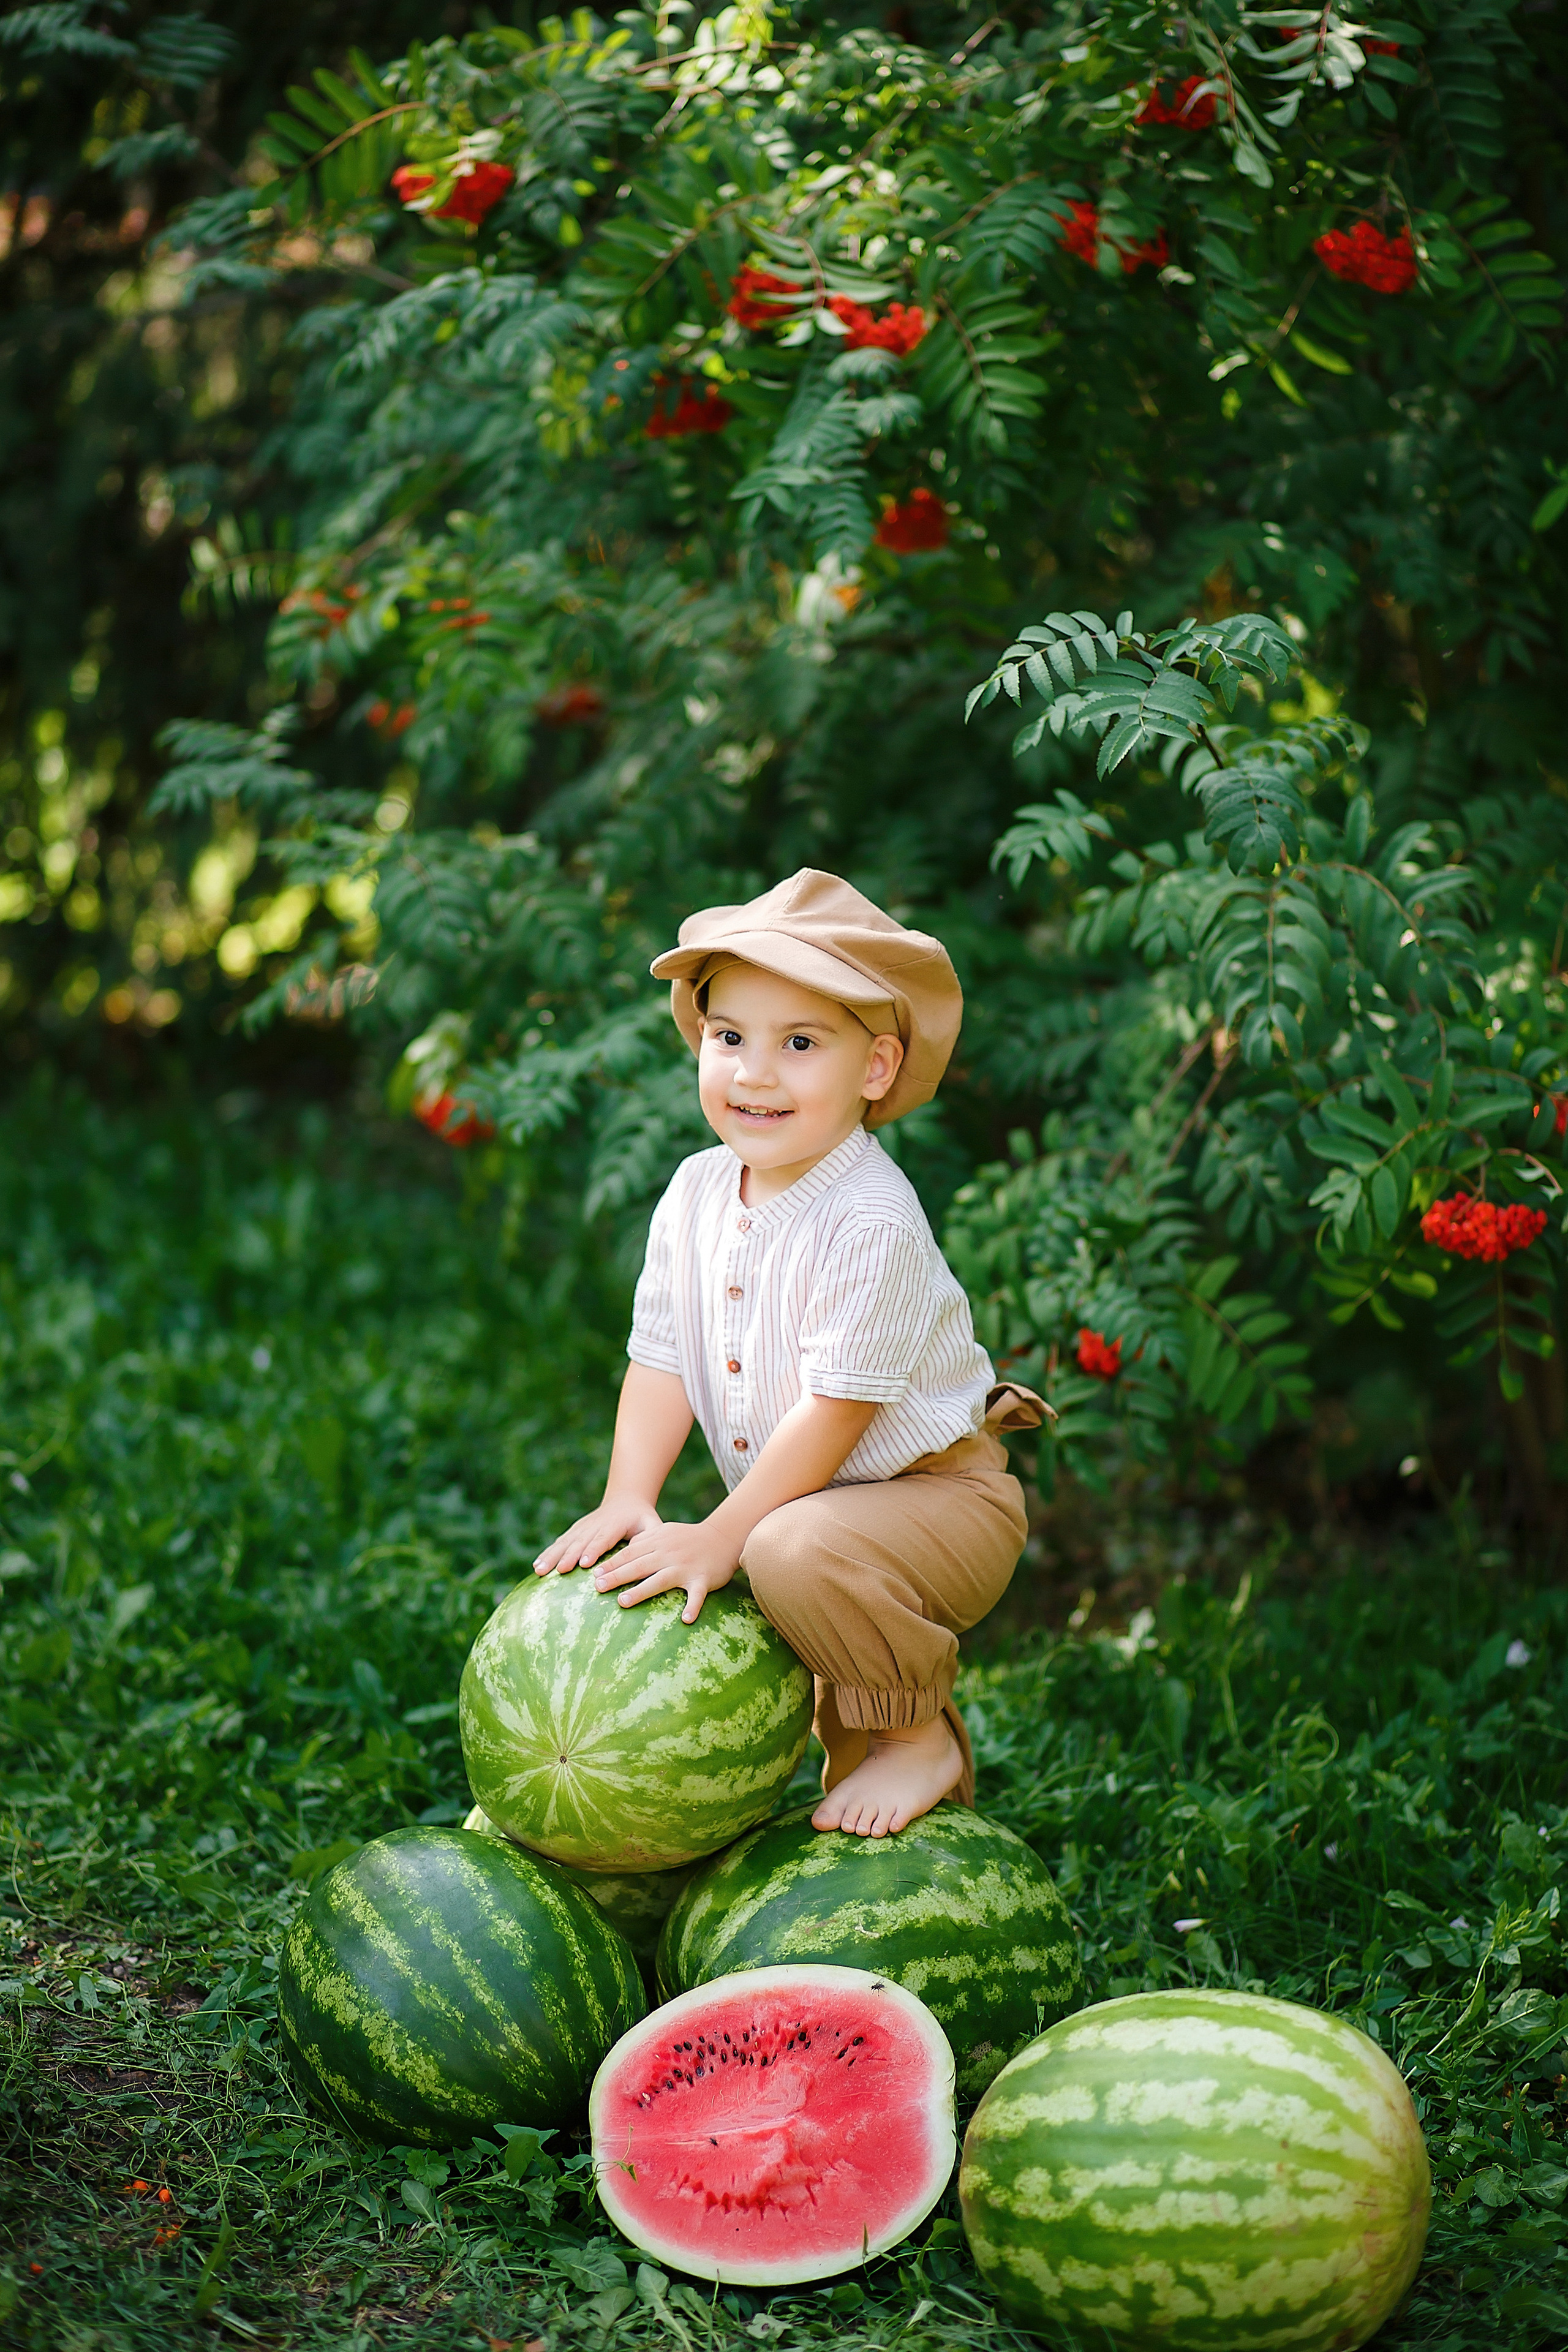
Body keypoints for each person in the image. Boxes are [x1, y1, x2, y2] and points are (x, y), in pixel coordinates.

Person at [532, 869, 1046, 1837]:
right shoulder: (693, 1190)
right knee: (823, 1704)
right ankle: (883, 1827)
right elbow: (662, 1357)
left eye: (800, 1044)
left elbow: (835, 1414)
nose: (753, 1073)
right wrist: (628, 1498)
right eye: (729, 1038)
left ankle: (916, 1739)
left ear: (877, 1069)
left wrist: (722, 1537)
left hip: (944, 1501)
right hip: (812, 1515)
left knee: (785, 1551)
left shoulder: (872, 1218)